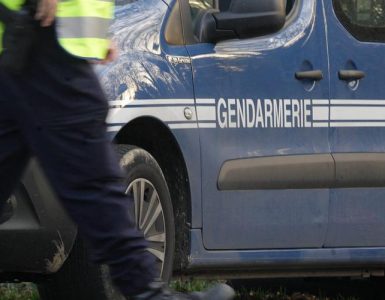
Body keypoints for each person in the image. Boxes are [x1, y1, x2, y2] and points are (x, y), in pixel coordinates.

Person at [0, 0, 236, 299]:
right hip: (43, 41)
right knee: (95, 182)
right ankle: (145, 292)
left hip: (29, 41)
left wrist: (95, 37)